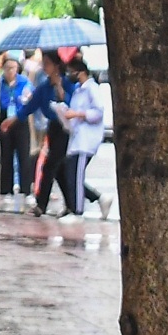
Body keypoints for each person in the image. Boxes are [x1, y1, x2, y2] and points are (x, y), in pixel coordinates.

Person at [3, 48, 78, 216]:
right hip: (53, 127)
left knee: (51, 165)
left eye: (48, 64)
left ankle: (41, 204)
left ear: (56, 65)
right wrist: (12, 120)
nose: (44, 67)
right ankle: (73, 204)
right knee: (59, 169)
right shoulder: (44, 87)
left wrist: (60, 88)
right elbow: (31, 105)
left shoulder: (67, 83)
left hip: (66, 128)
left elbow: (70, 102)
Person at [58, 55, 106, 217]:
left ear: (81, 72)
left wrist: (78, 114)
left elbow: (98, 112)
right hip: (76, 139)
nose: (69, 75)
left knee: (76, 177)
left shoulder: (92, 89)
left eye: (71, 72)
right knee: (67, 174)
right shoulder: (78, 91)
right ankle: (72, 206)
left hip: (86, 141)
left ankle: (77, 210)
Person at [0, 55, 32, 199]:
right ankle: (5, 190)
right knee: (6, 156)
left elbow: (29, 98)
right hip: (4, 119)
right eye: (7, 68)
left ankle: (25, 189)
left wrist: (20, 98)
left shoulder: (24, 82)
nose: (10, 71)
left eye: (13, 68)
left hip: (19, 118)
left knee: (23, 155)